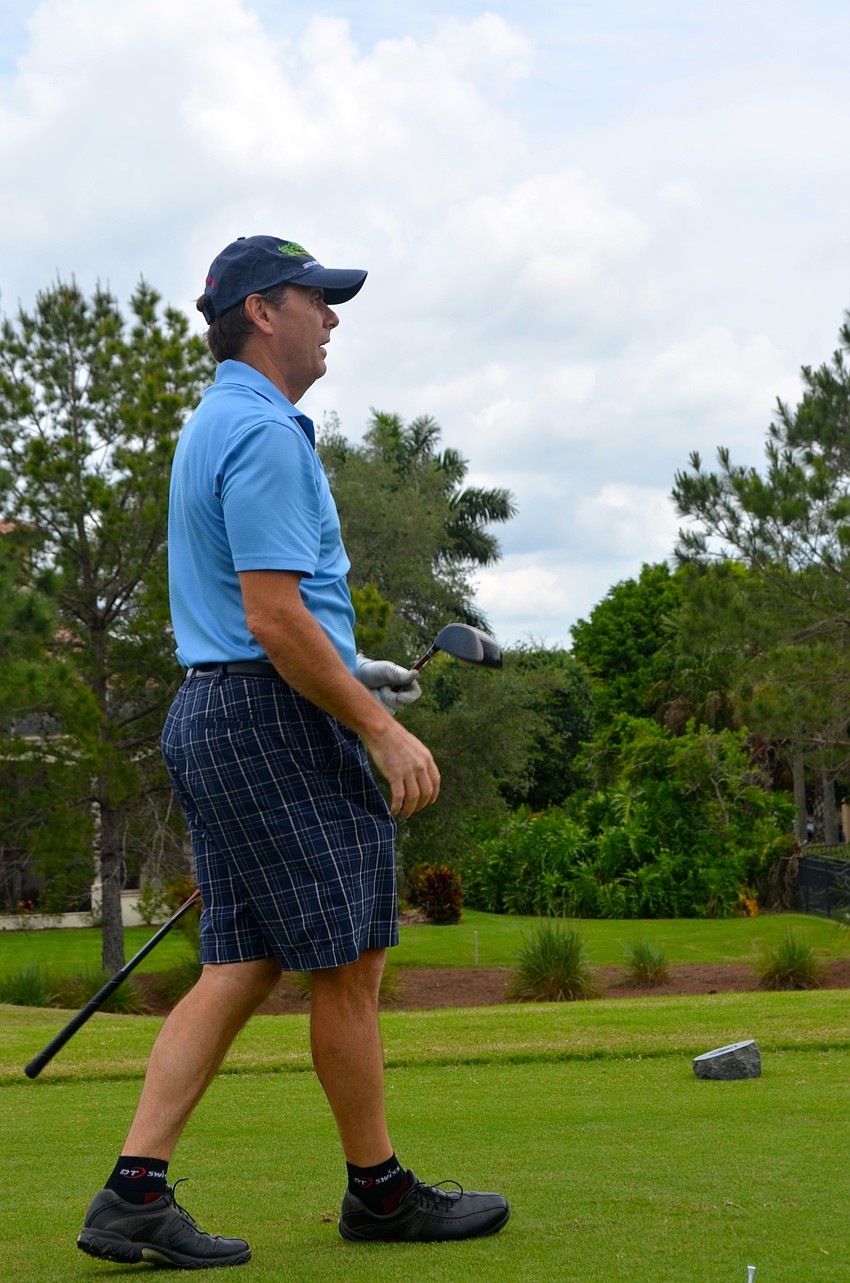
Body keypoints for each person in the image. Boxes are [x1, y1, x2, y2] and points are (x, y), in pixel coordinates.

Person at [76, 235, 510, 1269]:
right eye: (318, 298)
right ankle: (381, 1192)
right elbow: (270, 616)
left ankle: (133, 1194)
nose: (333, 316)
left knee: (239, 961)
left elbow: (259, 611)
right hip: (270, 718)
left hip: (217, 710)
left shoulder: (217, 422)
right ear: (263, 311)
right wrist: (377, 721)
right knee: (350, 959)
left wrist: (361, 668)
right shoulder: (266, 434)